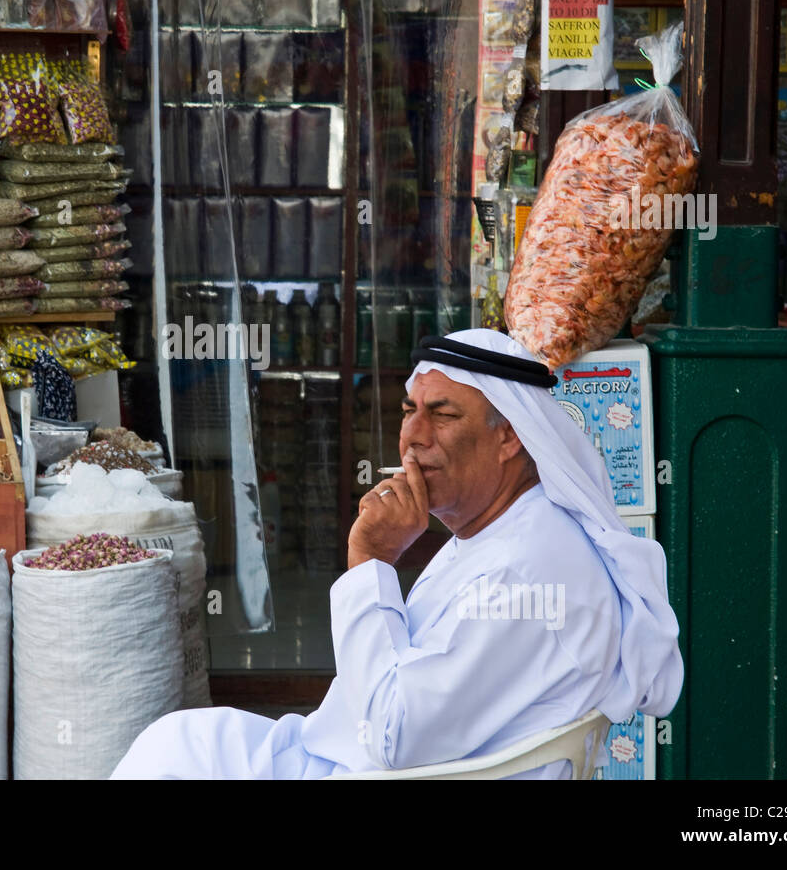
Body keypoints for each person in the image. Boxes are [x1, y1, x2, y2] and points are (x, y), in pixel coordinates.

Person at [111, 329, 683, 779]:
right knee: (178, 742)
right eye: (410, 410)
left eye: (444, 414)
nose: (413, 435)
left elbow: (392, 738)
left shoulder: (532, 569)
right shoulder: (500, 531)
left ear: (510, 436)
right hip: (348, 757)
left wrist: (371, 560)